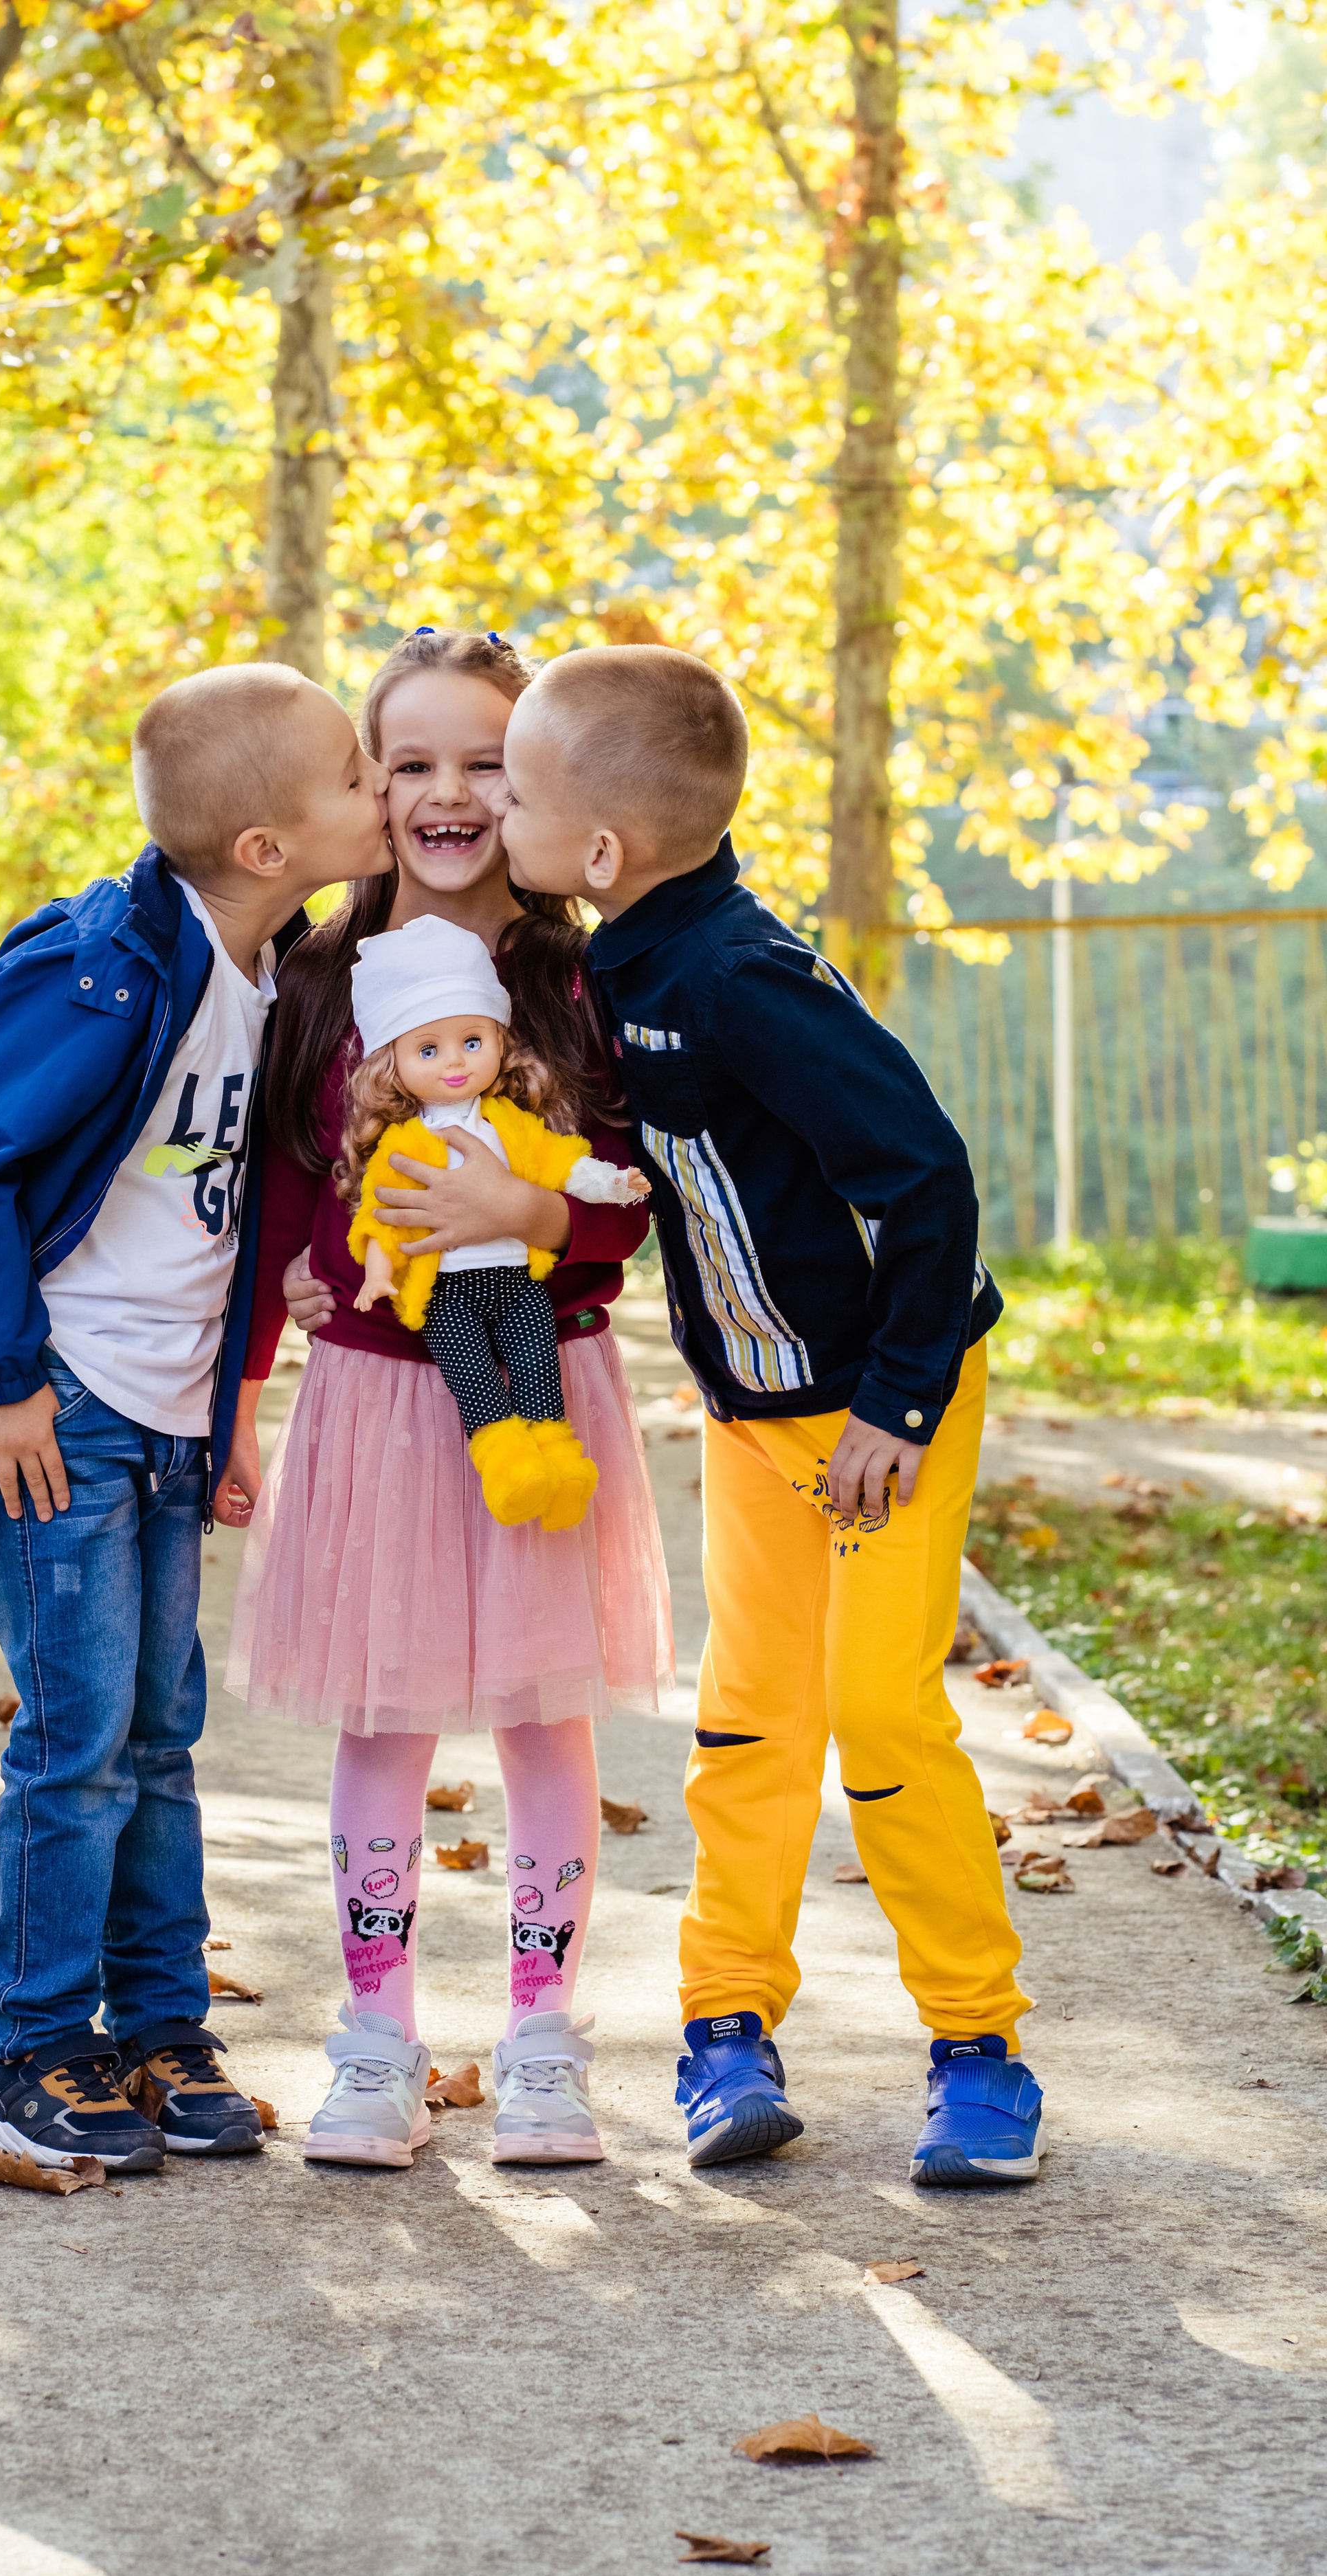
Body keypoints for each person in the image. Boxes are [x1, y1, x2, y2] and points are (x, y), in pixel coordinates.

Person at [0, 662, 392, 2176]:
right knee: (76, 1743)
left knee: (158, 1732)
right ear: (265, 846)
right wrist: (0, 1378)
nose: (381, 790)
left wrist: (233, 1402)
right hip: (57, 1408)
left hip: (170, 1413)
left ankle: (161, 2025)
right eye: (355, 774)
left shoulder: (276, 975)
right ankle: (35, 2048)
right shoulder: (96, 965)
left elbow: (227, 1221)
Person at [498, 642, 1045, 2192]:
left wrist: (899, 1402)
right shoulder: (613, 965)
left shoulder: (741, 978)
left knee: (881, 1721)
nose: (504, 817)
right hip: (754, 1416)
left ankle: (979, 2046)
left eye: (519, 796)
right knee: (749, 1721)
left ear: (603, 852)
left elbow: (924, 1178)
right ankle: (724, 2026)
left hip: (885, 1413)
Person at [224, 626, 673, 2171]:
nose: (448, 794)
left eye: (486, 760)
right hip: (372, 1403)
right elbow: (285, 1199)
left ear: (537, 777)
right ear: (370, 785)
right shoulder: (316, 978)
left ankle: (544, 2038)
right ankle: (377, 2038)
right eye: (409, 762)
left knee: (547, 1713)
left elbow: (625, 1199)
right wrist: (255, 1370)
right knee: (382, 1715)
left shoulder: (578, 979)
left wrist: (530, 1216)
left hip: (543, 1393)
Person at [340, 914, 647, 1527]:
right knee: (475, 1384)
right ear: (393, 1063)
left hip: (517, 1284)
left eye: (472, 1041)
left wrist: (614, 1185)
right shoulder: (404, 1144)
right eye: (429, 1050)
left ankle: (560, 1470)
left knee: (538, 1373)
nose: (454, 1063)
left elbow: (561, 1163)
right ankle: (509, 1470)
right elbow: (380, 1217)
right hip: (447, 1296)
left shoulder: (511, 1124)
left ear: (501, 1041)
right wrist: (377, 1272)